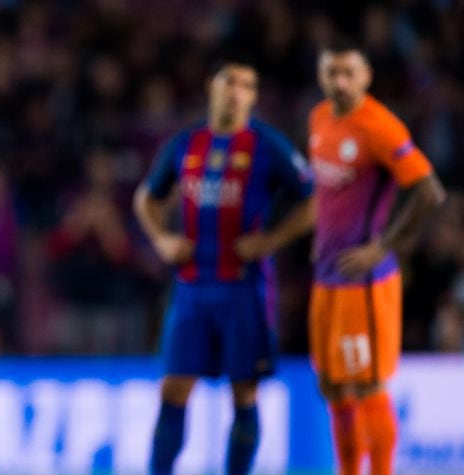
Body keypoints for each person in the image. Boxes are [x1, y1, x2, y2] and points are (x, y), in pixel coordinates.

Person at [133, 57, 316, 475]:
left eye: (248, 86)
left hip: (244, 288)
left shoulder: (267, 144)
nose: (237, 91)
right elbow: (146, 198)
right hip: (192, 288)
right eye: (230, 81)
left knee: (244, 393)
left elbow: (312, 200)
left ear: (253, 97)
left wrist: (272, 240)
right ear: (211, 87)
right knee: (174, 388)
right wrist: (162, 239)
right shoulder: (186, 144)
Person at [307, 39, 446, 475]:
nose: (341, 82)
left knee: (367, 384)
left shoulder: (380, 127)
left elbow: (430, 191)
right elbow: (330, 192)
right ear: (321, 76)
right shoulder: (318, 119)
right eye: (333, 72)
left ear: (366, 77)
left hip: (362, 283)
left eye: (350, 73)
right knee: (332, 385)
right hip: (326, 275)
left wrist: (384, 247)